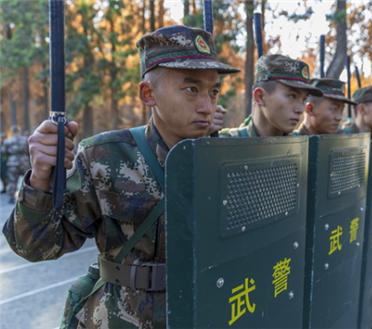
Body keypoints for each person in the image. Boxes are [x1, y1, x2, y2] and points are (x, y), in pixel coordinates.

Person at [2, 25, 239, 328]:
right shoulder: (106, 157)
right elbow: (34, 246)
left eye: (214, 91)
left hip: (199, 313)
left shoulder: (225, 160)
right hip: (120, 318)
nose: (208, 106)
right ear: (148, 93)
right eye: (191, 89)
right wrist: (40, 178)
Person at [219, 54, 322, 137]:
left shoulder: (301, 145)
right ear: (260, 97)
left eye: (304, 99)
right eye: (292, 96)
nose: (300, 109)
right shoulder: (225, 145)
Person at [3, 125, 30, 203]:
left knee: (12, 181)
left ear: (12, 131)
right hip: (24, 161)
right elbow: (29, 150)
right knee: (28, 180)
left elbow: (4, 151)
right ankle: (28, 197)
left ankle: (11, 197)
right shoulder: (25, 139)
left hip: (12, 162)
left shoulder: (8, 141)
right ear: (19, 130)